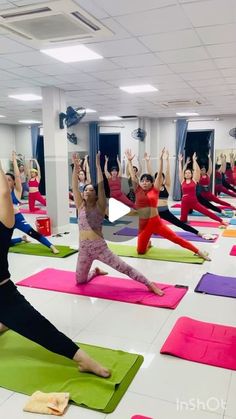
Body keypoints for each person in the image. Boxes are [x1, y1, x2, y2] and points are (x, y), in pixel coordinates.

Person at [0, 160, 110, 378]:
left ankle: (84, 359)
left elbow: (4, 192)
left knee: (39, 327)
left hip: (3, 293)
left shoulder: (4, 224)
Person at [72, 151, 164, 296]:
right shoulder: (80, 205)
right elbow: (75, 186)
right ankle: (95, 271)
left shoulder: (100, 205)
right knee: (80, 281)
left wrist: (97, 164)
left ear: (95, 194)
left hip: (99, 248)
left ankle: (149, 284)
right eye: (85, 190)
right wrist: (76, 168)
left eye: (91, 190)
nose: (87, 192)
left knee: (124, 268)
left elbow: (102, 187)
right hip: (83, 248)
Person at [125, 149, 210, 260]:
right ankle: (148, 243)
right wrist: (130, 161)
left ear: (152, 183)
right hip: (143, 224)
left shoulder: (154, 190)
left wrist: (161, 160)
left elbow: (159, 175)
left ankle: (198, 251)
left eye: (147, 181)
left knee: (175, 238)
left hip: (156, 222)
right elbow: (132, 175)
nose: (144, 182)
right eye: (142, 180)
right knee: (140, 251)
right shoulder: (137, 190)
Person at [146, 150, 213, 240]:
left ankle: (198, 233)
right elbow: (150, 173)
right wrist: (148, 161)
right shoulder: (153, 187)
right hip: (154, 212)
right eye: (158, 177)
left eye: (161, 177)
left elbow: (167, 172)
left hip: (165, 212)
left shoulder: (167, 186)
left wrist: (167, 161)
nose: (159, 178)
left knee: (180, 224)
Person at [6, 152, 59, 254]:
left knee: (32, 233)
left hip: (17, 219)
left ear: (13, 182)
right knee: (5, 242)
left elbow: (17, 176)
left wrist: (14, 161)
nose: (6, 181)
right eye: (5, 179)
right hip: (6, 219)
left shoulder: (16, 191)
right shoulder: (2, 192)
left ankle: (51, 246)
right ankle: (21, 239)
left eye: (9, 180)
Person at [179, 153, 227, 227]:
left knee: (206, 212)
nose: (187, 174)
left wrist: (194, 161)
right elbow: (180, 171)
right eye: (186, 173)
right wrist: (180, 162)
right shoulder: (182, 181)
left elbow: (197, 171)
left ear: (191, 174)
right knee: (182, 221)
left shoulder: (194, 180)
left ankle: (221, 220)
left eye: (189, 173)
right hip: (184, 203)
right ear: (184, 174)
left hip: (194, 202)